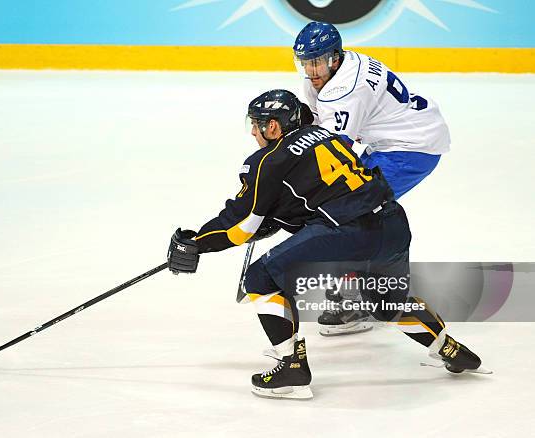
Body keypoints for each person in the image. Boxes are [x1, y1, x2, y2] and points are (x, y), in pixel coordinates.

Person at [167, 89, 483, 399]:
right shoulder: (324, 135)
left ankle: (292, 368)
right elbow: (318, 191)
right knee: (387, 302)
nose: (253, 131)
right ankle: (449, 348)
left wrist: (196, 243)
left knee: (260, 279)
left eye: (257, 123)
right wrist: (275, 219)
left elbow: (239, 226)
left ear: (273, 126)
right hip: (392, 222)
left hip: (347, 231)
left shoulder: (267, 161)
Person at [293, 21, 452, 335]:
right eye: (305, 63)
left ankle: (358, 299)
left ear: (334, 57)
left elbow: (334, 151)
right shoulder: (336, 69)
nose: (311, 70)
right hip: (401, 136)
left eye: (317, 62)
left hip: (411, 148)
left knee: (354, 212)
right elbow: (313, 122)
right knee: (347, 208)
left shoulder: (345, 91)